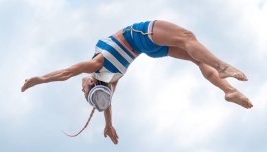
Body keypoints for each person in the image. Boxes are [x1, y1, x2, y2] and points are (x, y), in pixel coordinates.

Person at [21, 20, 253, 145]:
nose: (80, 86)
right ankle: (223, 68)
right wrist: (40, 79)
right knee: (188, 37)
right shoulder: (96, 66)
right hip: (141, 36)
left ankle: (228, 90)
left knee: (195, 57)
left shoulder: (111, 80)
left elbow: (107, 105)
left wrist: (109, 125)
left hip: (149, 50)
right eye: (83, 89)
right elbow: (66, 72)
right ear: (90, 83)